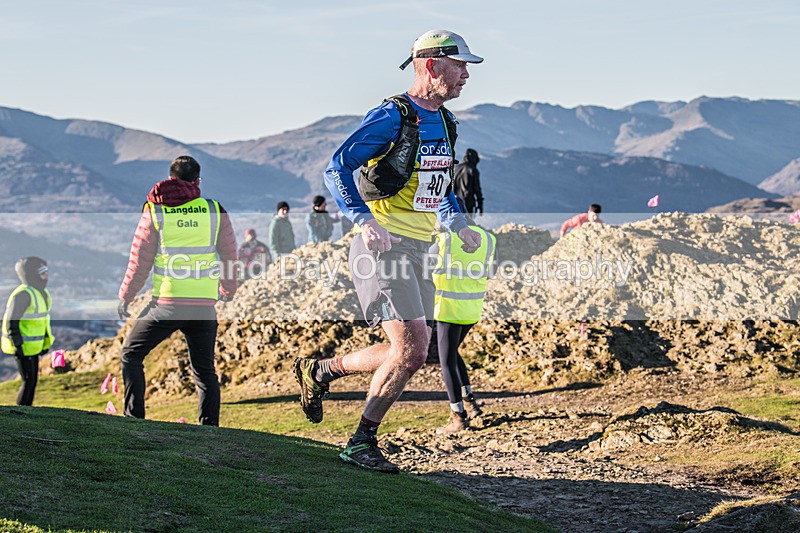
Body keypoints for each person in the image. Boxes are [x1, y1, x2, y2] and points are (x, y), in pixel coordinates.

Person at [294, 29, 484, 473]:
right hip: (381, 248)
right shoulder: (392, 116)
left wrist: (458, 223)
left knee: (414, 350)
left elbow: (438, 188)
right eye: (460, 67)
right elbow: (336, 168)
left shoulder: (447, 123)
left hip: (420, 248)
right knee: (415, 348)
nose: (466, 76)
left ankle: (321, 371)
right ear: (431, 65)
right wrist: (364, 221)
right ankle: (361, 442)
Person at [117, 155, 238, 426]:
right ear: (197, 181)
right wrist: (228, 289)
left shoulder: (155, 210)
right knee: (205, 370)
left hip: (167, 304)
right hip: (204, 305)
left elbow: (139, 261)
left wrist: (127, 295)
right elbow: (230, 256)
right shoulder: (214, 209)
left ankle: (133, 420)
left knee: (131, 354)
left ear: (171, 178)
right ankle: (209, 428)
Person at [430, 220, 495, 434]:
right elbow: (489, 272)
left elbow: (424, 267)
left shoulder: (444, 239)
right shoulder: (489, 239)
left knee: (446, 361)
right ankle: (470, 404)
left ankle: (458, 417)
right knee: (453, 353)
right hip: (472, 309)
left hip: (448, 309)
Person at [1, 257, 54, 406]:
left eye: (46, 271)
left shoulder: (41, 293)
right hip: (22, 347)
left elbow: (41, 322)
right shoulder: (24, 295)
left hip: (33, 348)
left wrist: (44, 344)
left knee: (32, 381)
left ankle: (27, 411)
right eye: (42, 272)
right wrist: (17, 345)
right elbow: (12, 322)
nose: (46, 275)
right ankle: (22, 412)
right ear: (31, 274)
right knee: (28, 381)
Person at [453, 148, 484, 215]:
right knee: (467, 223)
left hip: (453, 202)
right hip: (467, 203)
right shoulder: (473, 170)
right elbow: (477, 189)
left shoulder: (455, 169)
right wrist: (480, 204)